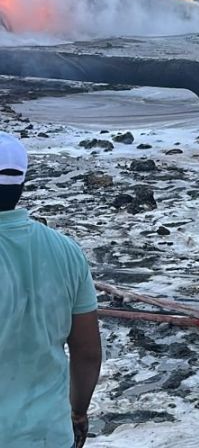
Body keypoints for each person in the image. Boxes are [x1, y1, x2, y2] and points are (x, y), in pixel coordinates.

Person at [0, 132, 102, 447]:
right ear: (21, 184)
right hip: (48, 434)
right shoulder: (66, 251)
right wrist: (78, 413)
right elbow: (87, 353)